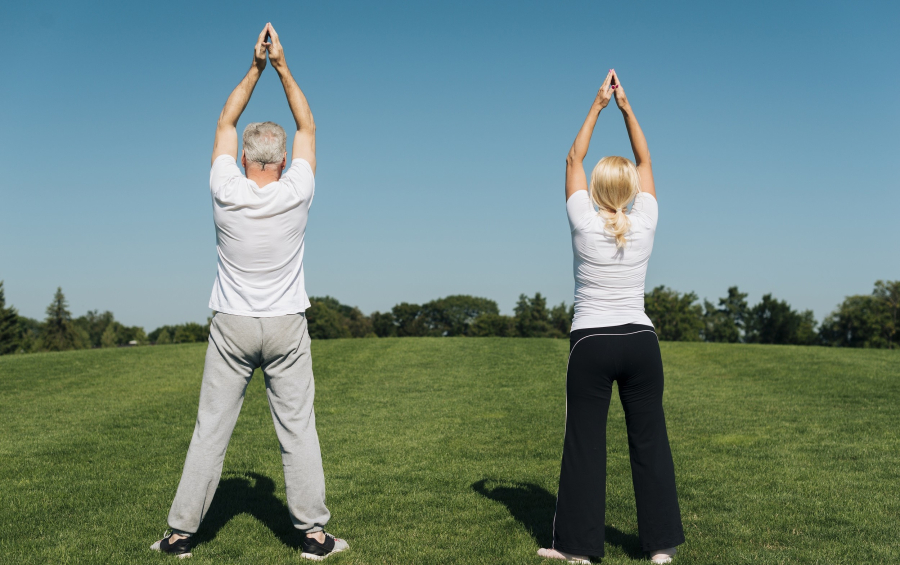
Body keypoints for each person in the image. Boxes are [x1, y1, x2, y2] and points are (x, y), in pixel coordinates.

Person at [151, 23, 348, 561]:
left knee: (210, 432)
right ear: (282, 161)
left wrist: (255, 67)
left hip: (231, 326)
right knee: (298, 432)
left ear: (244, 159)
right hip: (285, 324)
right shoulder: (297, 190)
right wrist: (282, 66)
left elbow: (225, 120)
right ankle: (313, 536)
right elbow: (307, 123)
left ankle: (179, 536)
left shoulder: (224, 189)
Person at [537, 70, 684, 564]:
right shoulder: (645, 221)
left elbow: (573, 157)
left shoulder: (582, 219)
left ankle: (579, 551)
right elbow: (645, 158)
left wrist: (598, 105)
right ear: (634, 190)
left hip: (592, 344)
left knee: (585, 445)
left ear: (597, 188)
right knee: (650, 442)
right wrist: (627, 108)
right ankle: (660, 549)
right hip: (641, 343)